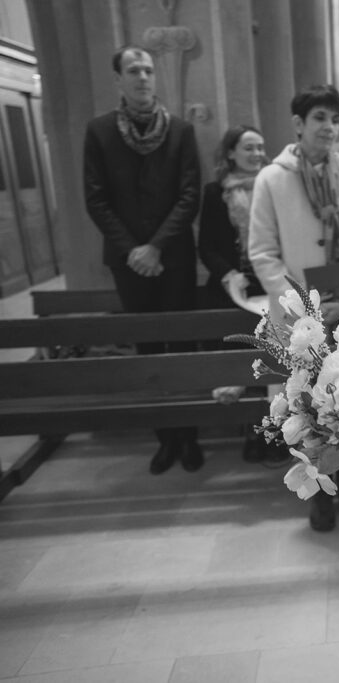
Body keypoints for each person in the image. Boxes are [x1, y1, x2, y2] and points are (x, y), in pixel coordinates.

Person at [249, 84, 339, 531]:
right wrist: (299, 302)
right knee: (306, 404)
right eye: (319, 118)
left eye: (334, 119)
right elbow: (262, 251)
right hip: (296, 315)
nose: (329, 127)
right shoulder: (272, 179)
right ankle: (317, 490)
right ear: (298, 124)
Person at [83, 45, 204, 475]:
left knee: (183, 348)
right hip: (128, 262)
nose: (143, 77)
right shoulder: (98, 132)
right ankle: (165, 439)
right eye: (133, 70)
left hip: (173, 258)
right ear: (118, 79)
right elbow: (95, 200)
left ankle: (190, 437)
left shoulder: (180, 131)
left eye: (148, 70)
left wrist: (155, 246)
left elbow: (191, 194)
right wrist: (135, 250)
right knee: (148, 349)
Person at [197, 125, 289, 464]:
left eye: (260, 147)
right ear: (230, 153)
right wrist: (227, 273)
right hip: (233, 287)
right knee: (243, 359)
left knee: (275, 359)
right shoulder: (215, 191)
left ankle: (274, 434)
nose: (255, 154)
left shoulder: (276, 186)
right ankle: (253, 433)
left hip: (271, 284)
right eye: (248, 147)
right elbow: (206, 245)